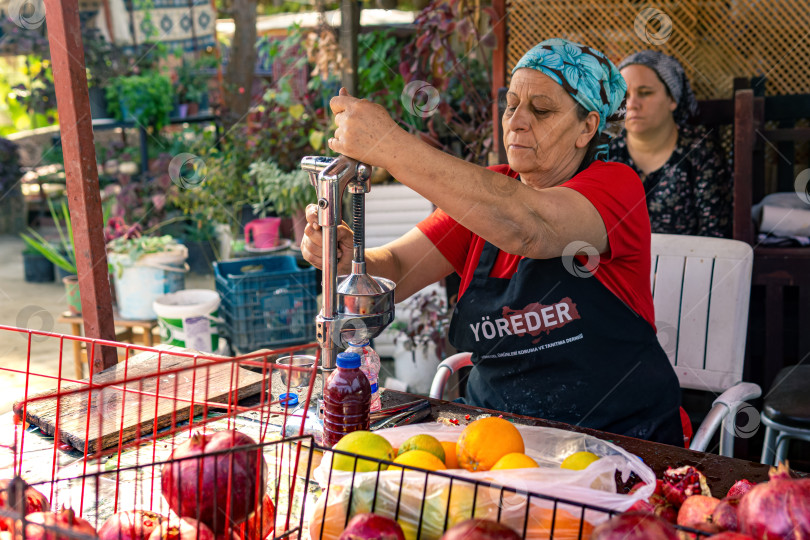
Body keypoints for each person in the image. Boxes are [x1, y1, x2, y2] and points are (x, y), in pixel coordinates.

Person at [302, 38, 684, 446]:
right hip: (497, 441)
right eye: (512, 104)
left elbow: (527, 226)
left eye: (541, 110)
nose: (516, 121)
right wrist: (345, 259)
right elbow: (396, 268)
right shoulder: (486, 197)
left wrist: (388, 145)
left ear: (587, 127)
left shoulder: (615, 187)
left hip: (617, 444)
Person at [609, 50, 732, 237]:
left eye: (645, 93)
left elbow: (715, 232)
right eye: (624, 95)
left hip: (687, 263)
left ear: (672, 99)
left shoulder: (699, 151)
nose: (632, 104)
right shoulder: (607, 151)